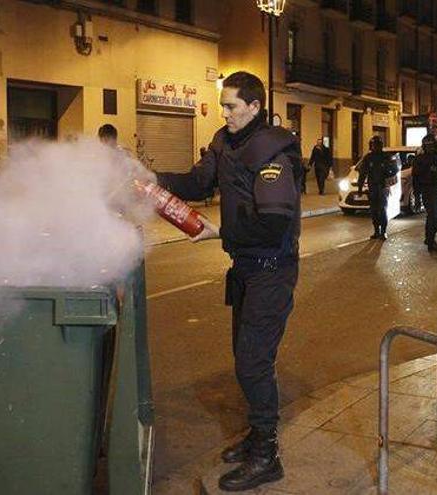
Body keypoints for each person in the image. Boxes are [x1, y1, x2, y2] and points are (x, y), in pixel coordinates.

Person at [155, 71, 302, 492]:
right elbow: (198, 182)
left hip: (272, 270)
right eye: (222, 106)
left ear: (255, 107)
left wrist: (221, 233)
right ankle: (256, 436)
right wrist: (154, 180)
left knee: (253, 362)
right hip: (245, 267)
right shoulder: (224, 141)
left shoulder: (273, 152)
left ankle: (266, 455)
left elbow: (273, 225)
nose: (225, 113)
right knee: (245, 357)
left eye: (232, 106)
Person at [412, 134, 437, 252]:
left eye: (431, 145)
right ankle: (430, 241)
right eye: (427, 145)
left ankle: (429, 237)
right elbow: (416, 178)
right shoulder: (420, 159)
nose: (429, 147)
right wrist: (417, 197)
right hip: (427, 190)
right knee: (433, 216)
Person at [357, 136, 399, 240]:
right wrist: (360, 188)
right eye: (373, 145)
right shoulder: (368, 157)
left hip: (383, 187)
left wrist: (388, 174)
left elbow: (395, 169)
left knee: (383, 209)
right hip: (372, 187)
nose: (374, 147)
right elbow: (362, 173)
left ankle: (383, 231)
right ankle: (376, 231)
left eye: (376, 145)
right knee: (374, 210)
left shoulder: (386, 156)